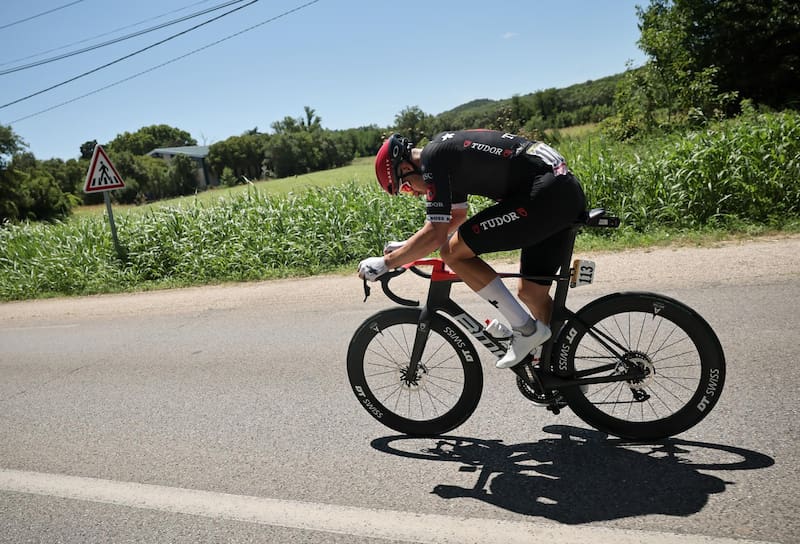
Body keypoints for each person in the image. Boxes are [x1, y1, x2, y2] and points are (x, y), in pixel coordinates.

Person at [358, 130, 586, 369]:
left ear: (406, 168)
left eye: (405, 188)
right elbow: (454, 216)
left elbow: (437, 234)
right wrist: (406, 248)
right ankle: (561, 369)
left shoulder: (433, 160)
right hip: (560, 192)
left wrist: (387, 263)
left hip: (544, 194)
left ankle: (525, 330)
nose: (414, 194)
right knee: (531, 294)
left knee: (452, 252)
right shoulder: (442, 152)